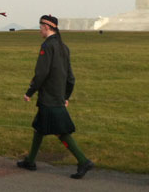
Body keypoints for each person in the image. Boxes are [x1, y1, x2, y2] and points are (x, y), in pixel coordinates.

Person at [17, 15, 94, 179]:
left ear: (46, 27)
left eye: (40, 27)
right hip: (58, 95)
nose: (39, 30)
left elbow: (41, 73)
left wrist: (29, 92)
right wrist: (66, 95)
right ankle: (30, 160)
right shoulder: (64, 47)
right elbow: (71, 77)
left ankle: (83, 161)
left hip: (49, 97)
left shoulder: (47, 46)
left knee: (61, 132)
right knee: (39, 127)